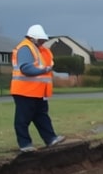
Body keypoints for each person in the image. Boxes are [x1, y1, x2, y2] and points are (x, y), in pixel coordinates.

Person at [10, 24, 65, 152]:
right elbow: (25, 68)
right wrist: (45, 70)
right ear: (33, 38)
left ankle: (51, 138)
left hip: (38, 92)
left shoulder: (38, 49)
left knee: (41, 116)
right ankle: (25, 144)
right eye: (41, 40)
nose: (43, 42)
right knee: (23, 119)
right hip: (25, 91)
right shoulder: (25, 48)